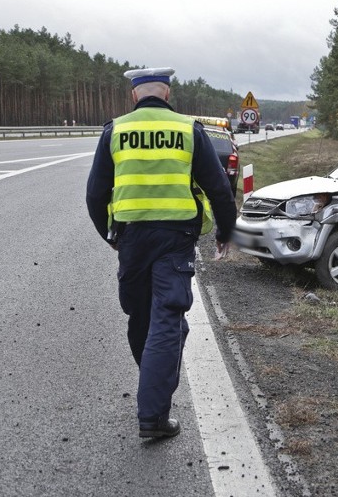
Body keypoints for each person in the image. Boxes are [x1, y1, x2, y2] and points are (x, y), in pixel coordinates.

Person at [86, 67, 237, 438]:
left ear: (134, 96)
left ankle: (152, 395)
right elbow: (219, 188)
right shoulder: (188, 130)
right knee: (166, 321)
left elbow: (95, 195)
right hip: (175, 237)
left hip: (132, 239)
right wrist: (225, 231)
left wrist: (109, 236)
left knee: (141, 318)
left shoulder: (116, 131)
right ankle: (153, 415)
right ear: (167, 95)